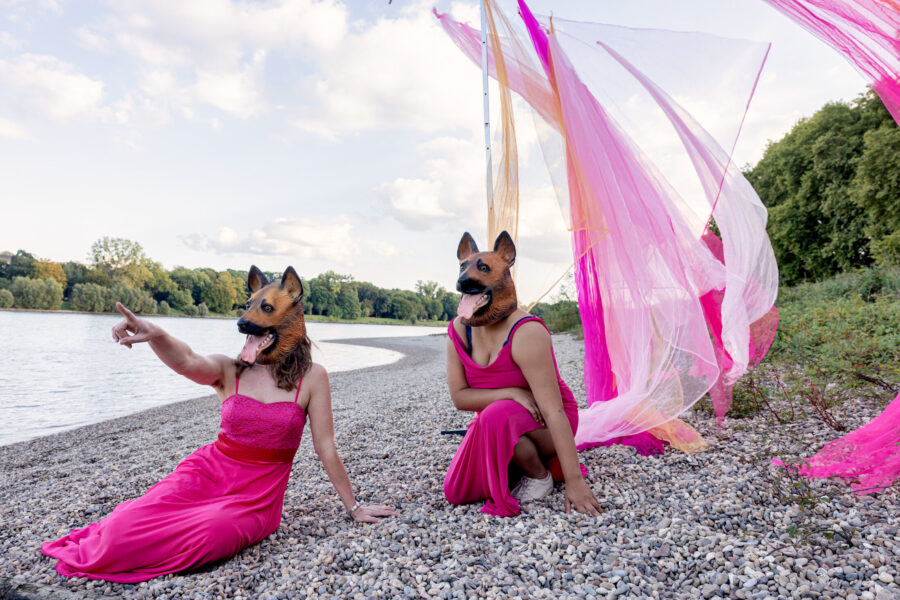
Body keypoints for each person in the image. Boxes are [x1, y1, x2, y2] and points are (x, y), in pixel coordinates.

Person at [42, 266, 397, 582]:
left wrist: (353, 507)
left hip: (256, 497)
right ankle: (118, 540)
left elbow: (326, 447)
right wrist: (154, 332)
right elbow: (188, 360)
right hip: (207, 472)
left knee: (215, 532)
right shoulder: (231, 369)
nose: (249, 320)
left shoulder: (313, 377)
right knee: (119, 531)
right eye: (249, 308)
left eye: (266, 311)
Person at [443, 231, 602, 517]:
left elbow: (554, 412)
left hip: (546, 418)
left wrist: (576, 483)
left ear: (507, 267)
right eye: (464, 267)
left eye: (483, 269)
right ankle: (518, 456)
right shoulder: (459, 329)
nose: (468, 276)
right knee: (455, 491)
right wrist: (512, 393)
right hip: (502, 414)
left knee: (494, 414)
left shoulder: (527, 332)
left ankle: (539, 475)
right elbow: (459, 398)